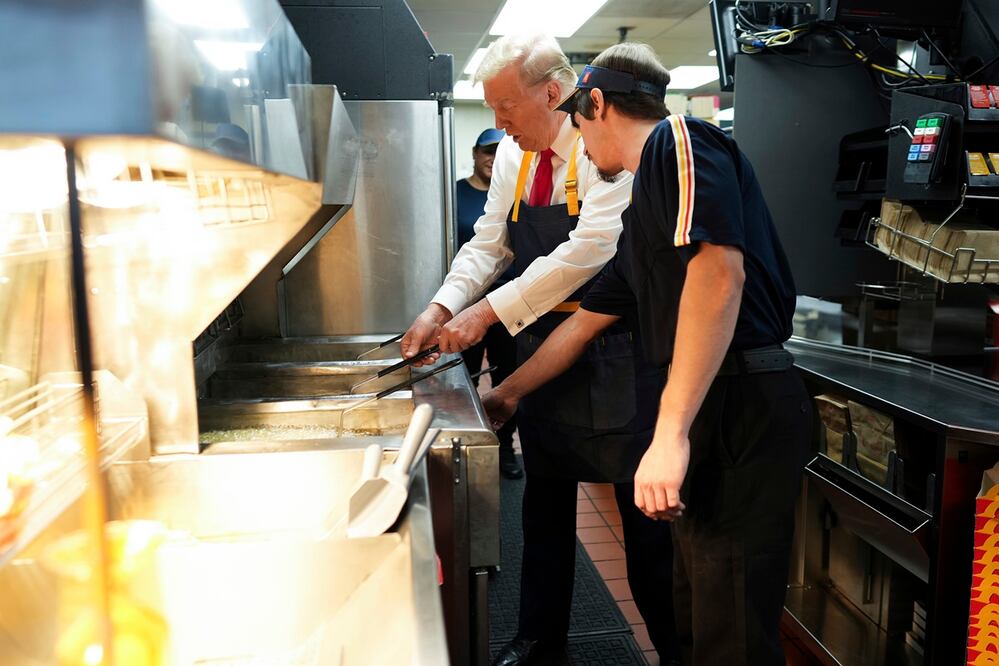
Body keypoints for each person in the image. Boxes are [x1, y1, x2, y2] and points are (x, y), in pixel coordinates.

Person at [483, 43, 812, 666]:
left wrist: (669, 434)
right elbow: (581, 328)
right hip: (707, 413)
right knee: (692, 616)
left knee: (731, 631)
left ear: (597, 103)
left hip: (741, 406)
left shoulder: (680, 140)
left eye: (579, 125)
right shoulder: (641, 223)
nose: (579, 143)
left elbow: (719, 276)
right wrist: (504, 396)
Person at [402, 34, 679, 665]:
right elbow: (488, 244)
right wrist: (441, 307)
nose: (496, 125)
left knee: (642, 521)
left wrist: (486, 312)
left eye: (504, 108)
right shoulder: (512, 156)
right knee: (544, 504)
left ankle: (670, 644)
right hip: (539, 348)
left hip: (612, 348)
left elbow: (593, 245)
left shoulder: (603, 145)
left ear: (552, 94)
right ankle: (540, 640)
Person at [457, 128, 523, 479]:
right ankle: (466, 445)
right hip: (467, 305)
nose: (494, 159)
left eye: (501, 152)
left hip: (509, 304)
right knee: (462, 378)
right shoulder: (456, 193)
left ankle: (505, 448)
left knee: (507, 376)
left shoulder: (514, 195)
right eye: (488, 152)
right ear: (475, 153)